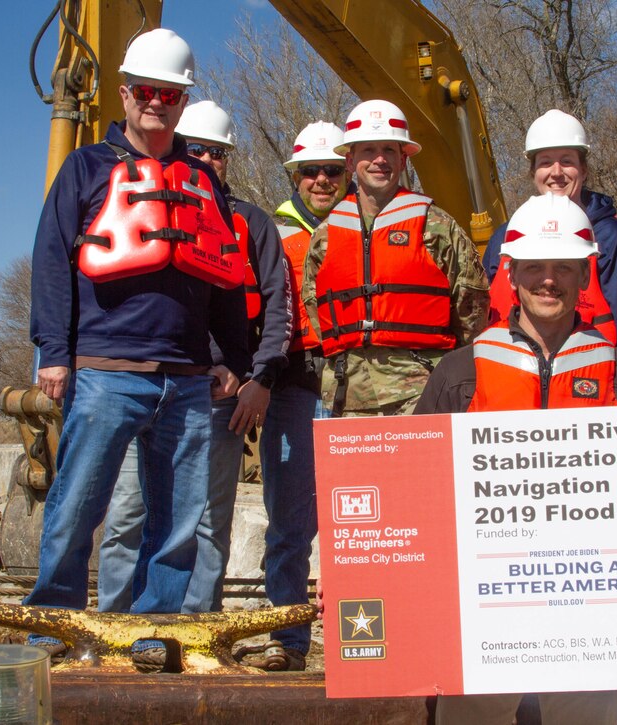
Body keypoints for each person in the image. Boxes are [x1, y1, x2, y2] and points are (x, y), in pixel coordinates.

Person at [26, 29, 249, 625]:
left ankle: (156, 627)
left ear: (183, 101)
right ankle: (54, 618)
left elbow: (224, 274)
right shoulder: (85, 166)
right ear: (125, 94)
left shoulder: (203, 181)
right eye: (147, 90)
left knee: (179, 519)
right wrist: (53, 350)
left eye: (170, 93)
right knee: (77, 505)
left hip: (186, 378)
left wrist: (233, 358)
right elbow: (51, 257)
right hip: (105, 371)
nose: (158, 101)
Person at [416, 193, 617, 725]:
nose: (547, 281)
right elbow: (412, 493)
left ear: (583, 276)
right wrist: (362, 577)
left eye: (562, 269)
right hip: (485, 596)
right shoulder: (459, 374)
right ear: (511, 272)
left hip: (591, 597)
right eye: (534, 268)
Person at [96, 101, 292, 628]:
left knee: (208, 524)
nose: (208, 159)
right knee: (127, 518)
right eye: (198, 148)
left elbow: (277, 308)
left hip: (217, 402)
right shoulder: (140, 205)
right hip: (144, 390)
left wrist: (256, 377)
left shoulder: (251, 224)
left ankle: (193, 631)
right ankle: (115, 627)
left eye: (218, 152)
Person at [235, 121, 350, 670]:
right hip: (295, 388)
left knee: (363, 525)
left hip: (359, 390)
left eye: (333, 170)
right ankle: (289, 641)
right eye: (312, 171)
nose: (322, 180)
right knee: (289, 524)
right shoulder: (270, 233)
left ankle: (364, 645)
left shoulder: (369, 228)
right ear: (296, 177)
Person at [302, 100, 489, 417]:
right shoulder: (325, 236)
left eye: (389, 150)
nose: (379, 160)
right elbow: (315, 307)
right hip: (346, 398)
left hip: (423, 394)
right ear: (350, 161)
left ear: (404, 159)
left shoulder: (438, 229)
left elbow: (471, 311)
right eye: (368, 150)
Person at [482, 110, 617, 355]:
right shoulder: (505, 236)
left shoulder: (610, 236)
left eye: (567, 161)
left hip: (587, 375)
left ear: (584, 169)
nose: (556, 172)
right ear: (533, 172)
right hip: (511, 372)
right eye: (546, 162)